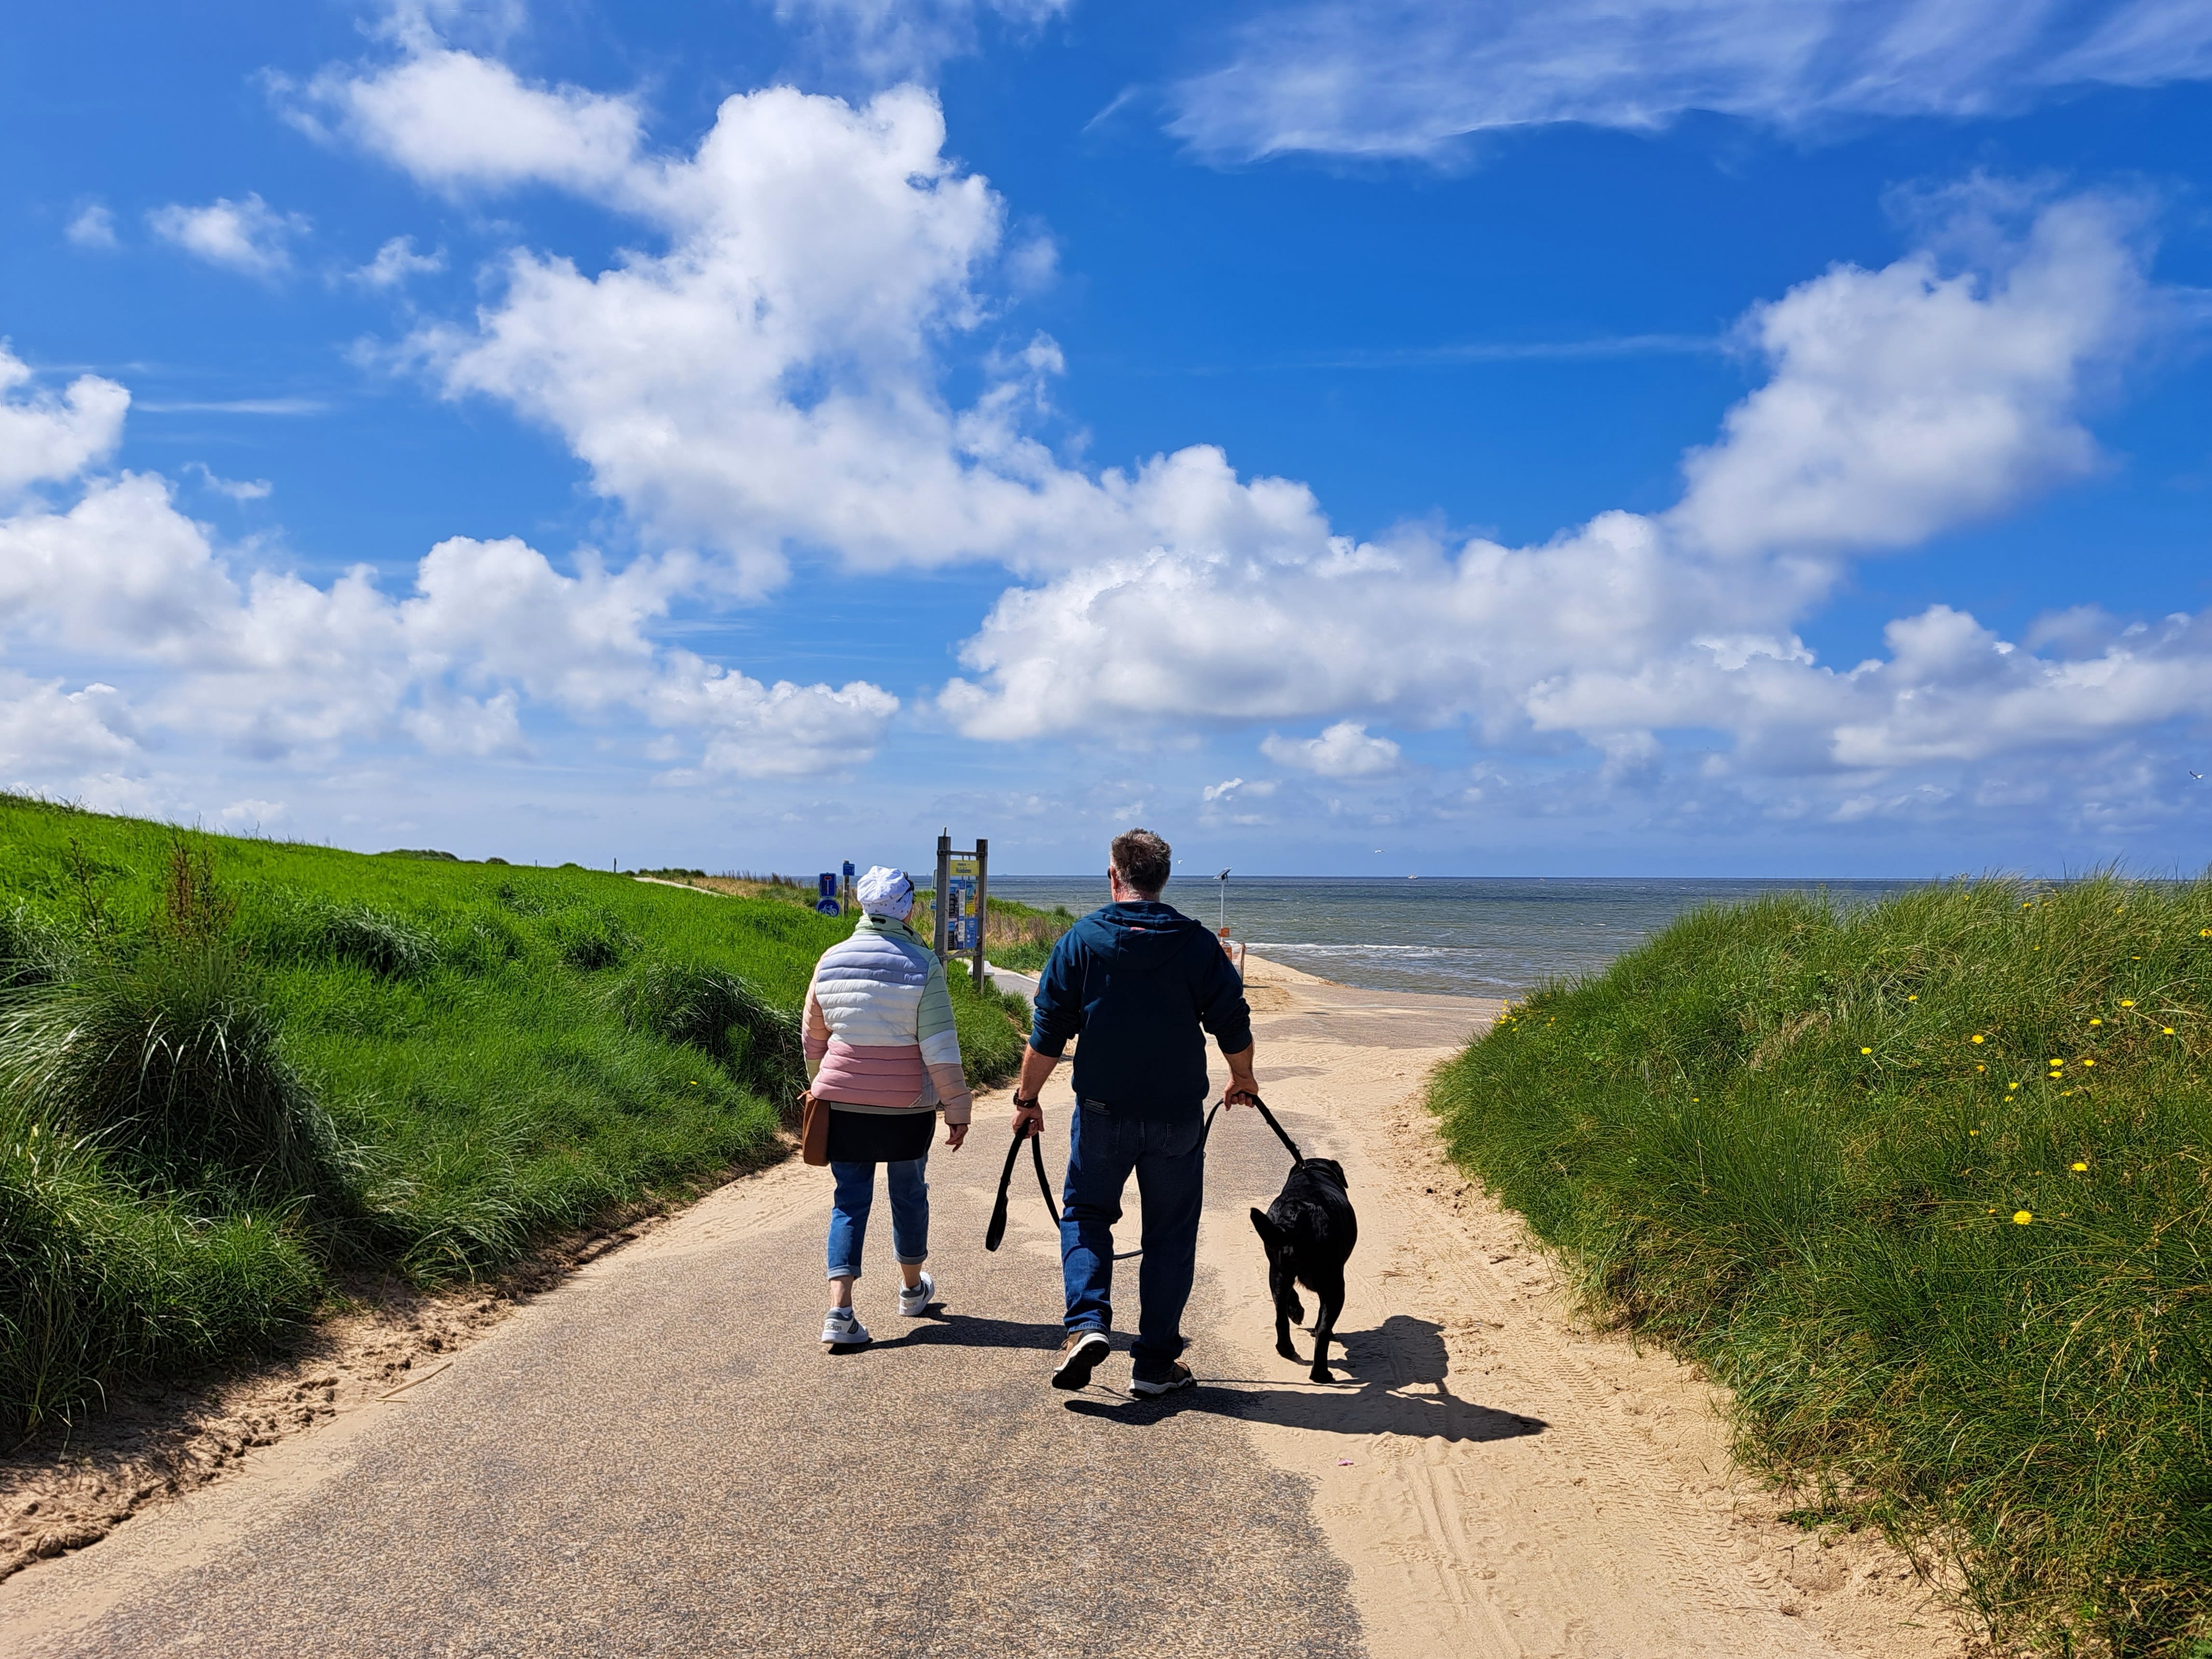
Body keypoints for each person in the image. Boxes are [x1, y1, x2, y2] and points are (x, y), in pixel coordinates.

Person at [1010, 829, 1257, 1396]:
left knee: (1087, 1215)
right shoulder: (1197, 944)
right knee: (1171, 1234)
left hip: (1101, 1111)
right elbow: (1232, 1022)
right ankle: (1152, 1366)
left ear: (1114, 876)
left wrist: (1027, 1099)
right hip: (1176, 1115)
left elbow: (1048, 1031)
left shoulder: (1081, 940)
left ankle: (1087, 1326)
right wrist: (1242, 1077)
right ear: (1163, 879)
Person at [802, 865, 971, 1348]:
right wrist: (957, 1106)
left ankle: (840, 1311)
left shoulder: (830, 960)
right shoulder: (922, 964)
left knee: (849, 1203)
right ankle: (912, 1290)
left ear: (862, 907)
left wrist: (821, 1089)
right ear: (908, 910)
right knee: (909, 1192)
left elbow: (813, 1039)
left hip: (844, 1104)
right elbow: (940, 1046)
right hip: (906, 1106)